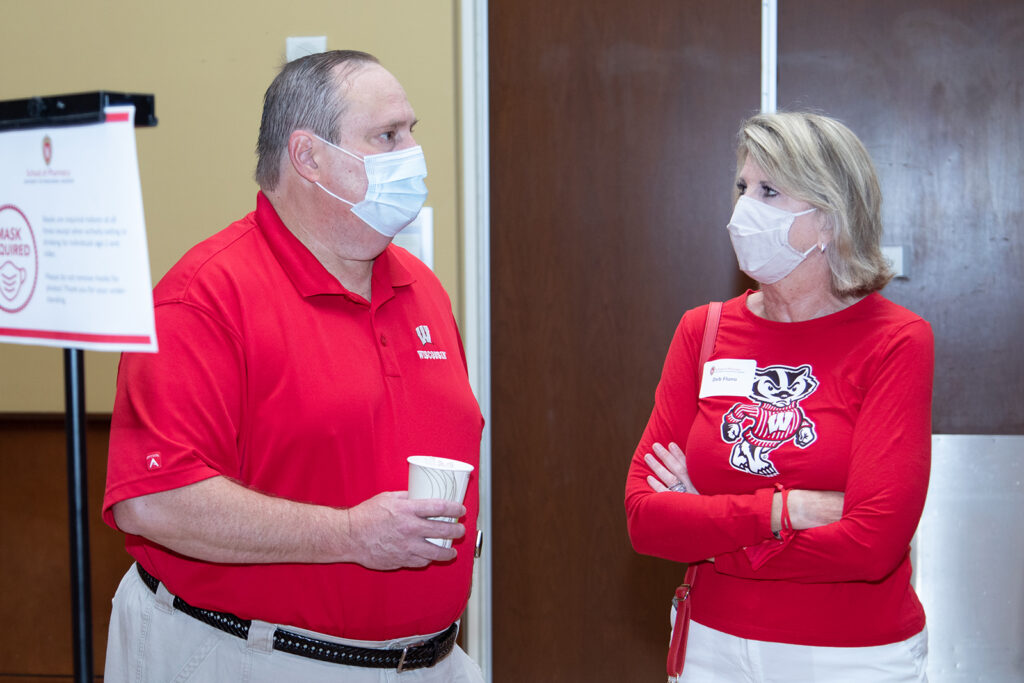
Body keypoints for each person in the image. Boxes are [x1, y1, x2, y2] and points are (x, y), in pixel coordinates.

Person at [101, 50, 484, 682]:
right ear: (308, 158)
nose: (412, 155)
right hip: (252, 657)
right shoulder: (204, 296)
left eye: (411, 132)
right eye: (388, 136)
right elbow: (156, 502)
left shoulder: (421, 288)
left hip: (427, 660)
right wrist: (351, 535)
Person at [625, 111, 933, 682]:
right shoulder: (705, 330)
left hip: (849, 656)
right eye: (743, 188)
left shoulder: (894, 340)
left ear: (830, 219)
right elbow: (646, 518)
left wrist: (712, 531)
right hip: (710, 648)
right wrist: (784, 510)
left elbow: (871, 545)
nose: (744, 209)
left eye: (770, 191)